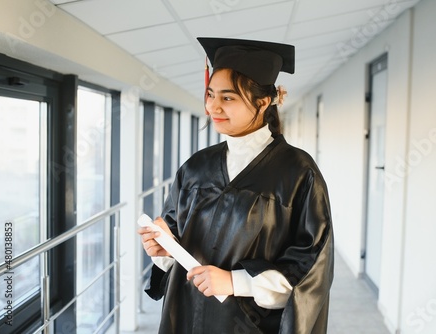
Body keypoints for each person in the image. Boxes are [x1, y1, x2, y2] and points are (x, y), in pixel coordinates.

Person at [137, 37, 334, 334]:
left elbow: (311, 267)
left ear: (264, 101)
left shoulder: (298, 173)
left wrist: (234, 281)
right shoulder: (195, 168)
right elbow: (174, 231)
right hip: (186, 315)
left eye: (227, 98)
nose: (213, 106)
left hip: (248, 324)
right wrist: (163, 250)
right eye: (210, 94)